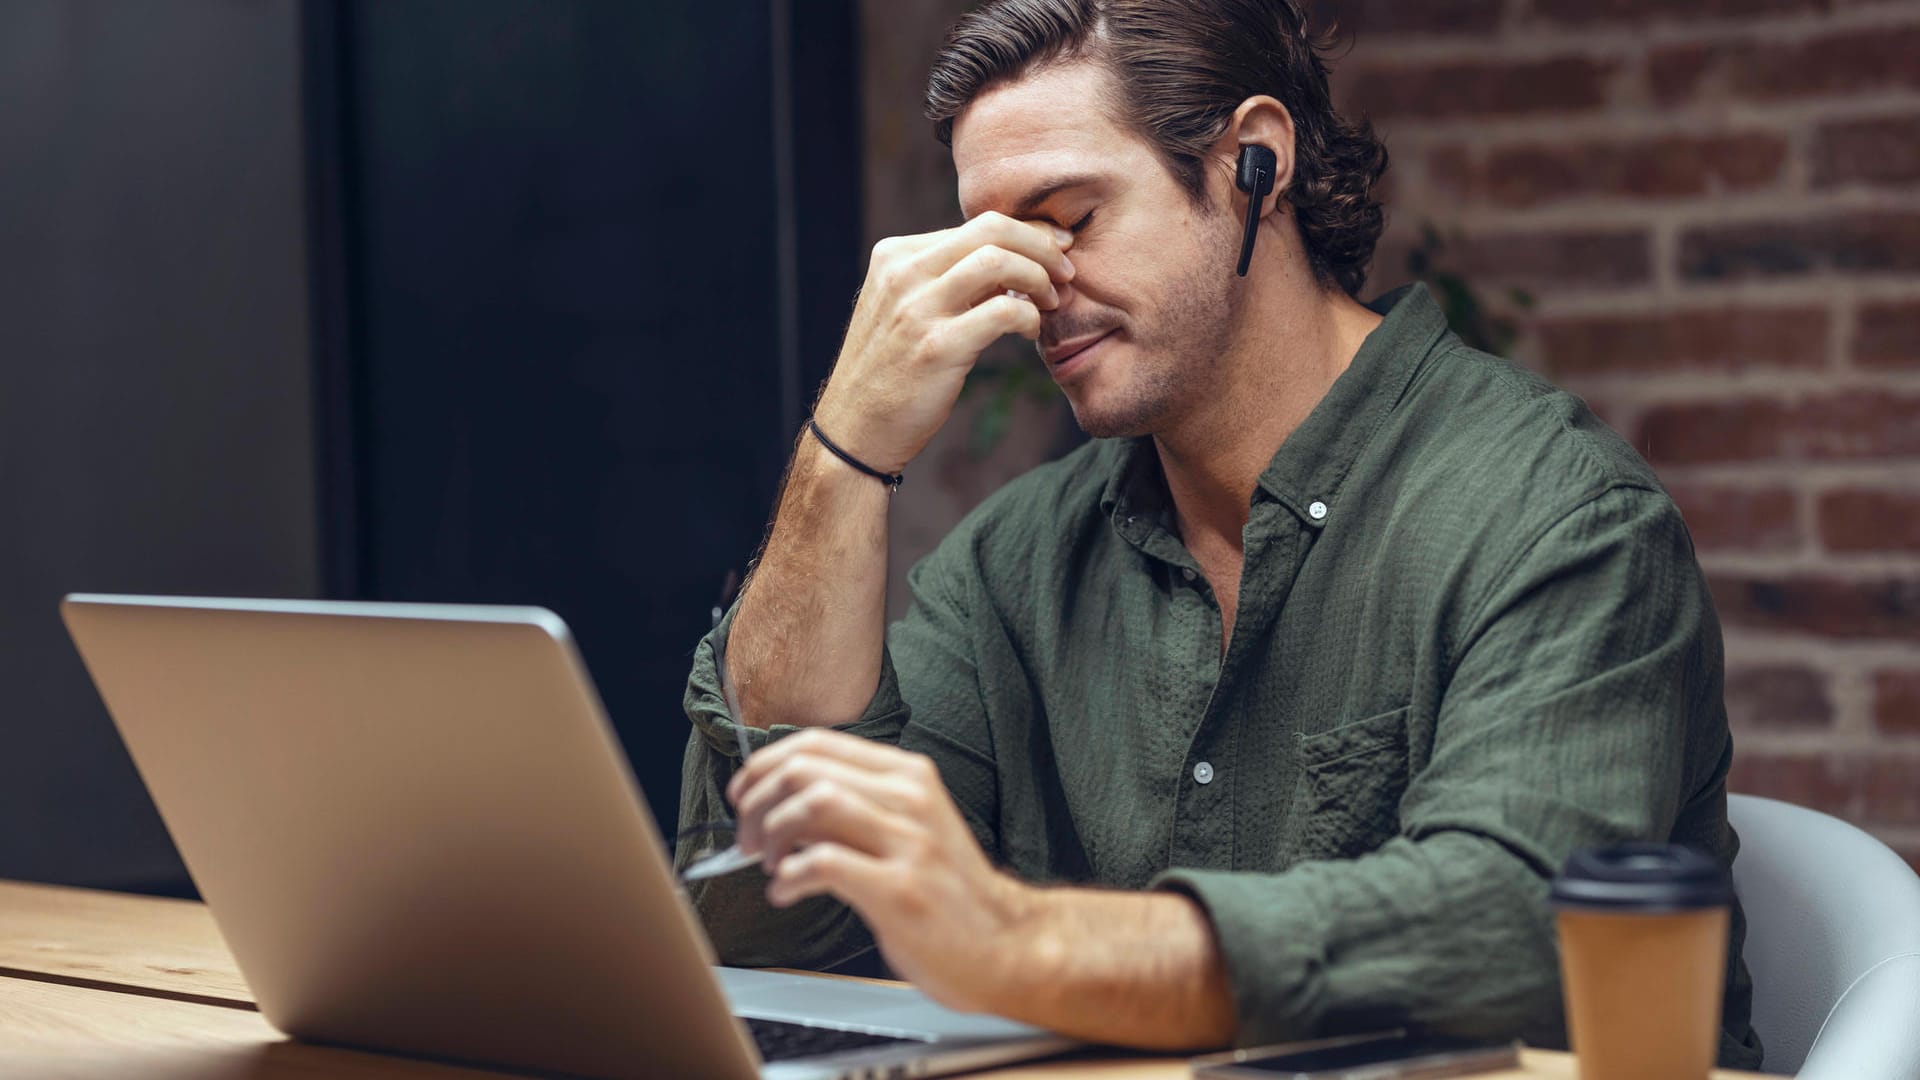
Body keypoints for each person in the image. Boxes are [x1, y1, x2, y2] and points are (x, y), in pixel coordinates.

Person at [676, 0, 1762, 1067]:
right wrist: (845, 445)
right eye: (1000, 240)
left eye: (1071, 218)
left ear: (1254, 162)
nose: (1034, 290)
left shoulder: (1561, 519)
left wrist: (1018, 940)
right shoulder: (1010, 567)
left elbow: (1517, 927)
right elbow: (774, 930)